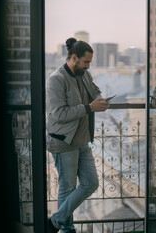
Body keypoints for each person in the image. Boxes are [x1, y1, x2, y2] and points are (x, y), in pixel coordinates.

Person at [46, 37, 112, 233]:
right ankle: (66, 229)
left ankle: (55, 221)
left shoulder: (84, 75)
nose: (88, 67)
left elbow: (93, 90)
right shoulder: (56, 79)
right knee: (66, 188)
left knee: (91, 183)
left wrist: (99, 99)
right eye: (86, 62)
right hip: (64, 143)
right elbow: (58, 114)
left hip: (82, 141)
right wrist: (88, 108)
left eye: (90, 63)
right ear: (74, 57)